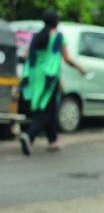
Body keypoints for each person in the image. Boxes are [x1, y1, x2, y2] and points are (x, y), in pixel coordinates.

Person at [19, 10, 86, 156]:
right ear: (56, 22)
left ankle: (52, 141)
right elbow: (67, 58)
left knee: (43, 109)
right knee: (48, 111)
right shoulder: (58, 37)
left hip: (34, 78)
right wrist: (81, 69)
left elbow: (24, 56)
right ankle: (29, 135)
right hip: (49, 80)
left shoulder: (36, 37)